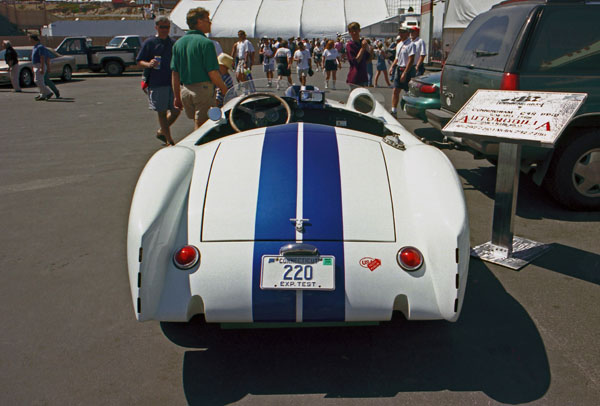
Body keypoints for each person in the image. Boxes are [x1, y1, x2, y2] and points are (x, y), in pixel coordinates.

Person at [171, 7, 228, 129]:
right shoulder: (206, 43)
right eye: (208, 20)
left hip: (185, 90)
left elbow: (175, 73)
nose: (210, 23)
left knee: (197, 122)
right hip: (203, 90)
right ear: (200, 21)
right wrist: (225, 90)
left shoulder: (178, 44)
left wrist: (176, 96)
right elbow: (213, 73)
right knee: (203, 127)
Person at [137, 16, 180, 146]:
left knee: (176, 110)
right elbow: (139, 61)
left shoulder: (173, 43)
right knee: (161, 112)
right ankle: (169, 139)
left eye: (167, 27)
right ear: (156, 27)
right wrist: (149, 63)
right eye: (162, 27)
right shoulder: (150, 43)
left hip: (172, 81)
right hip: (157, 83)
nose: (164, 30)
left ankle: (162, 131)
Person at [388, 28, 415, 117]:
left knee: (410, 91)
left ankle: (414, 110)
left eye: (403, 32)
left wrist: (405, 72)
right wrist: (392, 67)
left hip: (407, 69)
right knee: (395, 90)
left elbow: (411, 59)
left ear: (407, 33)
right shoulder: (399, 44)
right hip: (399, 69)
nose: (401, 34)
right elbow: (397, 58)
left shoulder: (411, 44)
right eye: (399, 32)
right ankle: (394, 111)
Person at [28, 34, 52, 101]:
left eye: (30, 39)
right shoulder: (35, 47)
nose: (29, 40)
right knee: (40, 81)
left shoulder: (40, 47)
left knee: (37, 81)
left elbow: (42, 57)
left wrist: (42, 67)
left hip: (39, 65)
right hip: (36, 65)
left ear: (33, 39)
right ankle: (43, 95)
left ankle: (48, 92)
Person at [345, 22, 370, 87]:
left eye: (356, 30)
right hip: (355, 78)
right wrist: (362, 48)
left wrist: (369, 49)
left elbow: (368, 59)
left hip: (364, 77)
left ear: (359, 30)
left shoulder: (362, 43)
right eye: (352, 31)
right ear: (349, 32)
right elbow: (355, 62)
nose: (354, 33)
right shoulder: (350, 45)